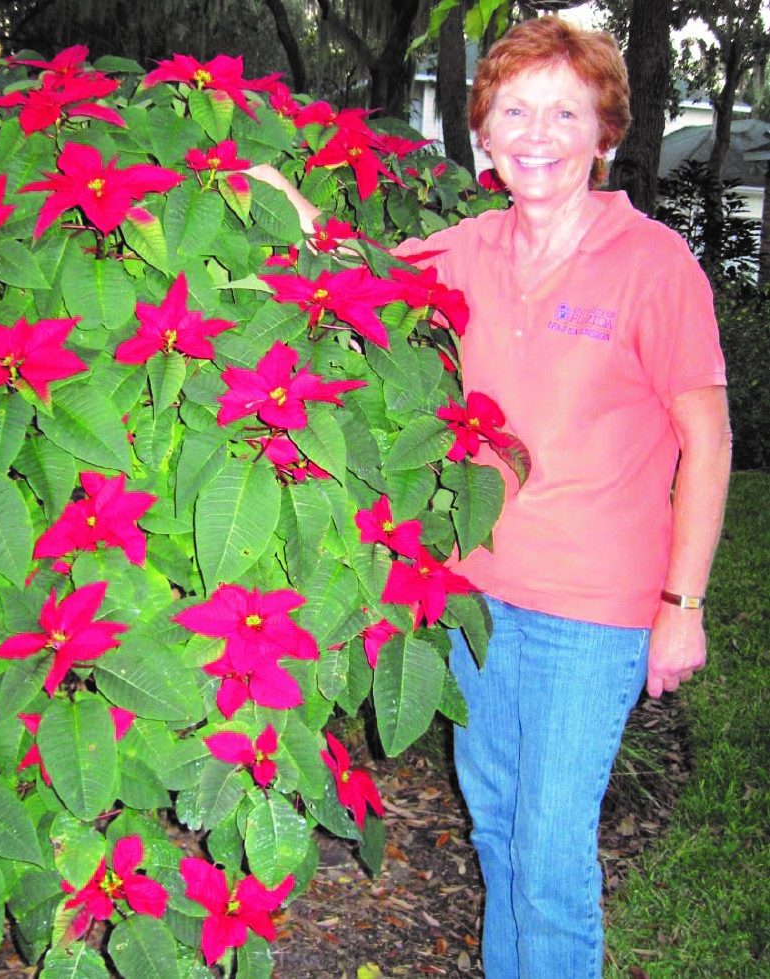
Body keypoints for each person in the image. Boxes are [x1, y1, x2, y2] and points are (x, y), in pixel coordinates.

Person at [388, 17, 731, 979]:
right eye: (514, 112)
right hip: (475, 605)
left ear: (603, 133)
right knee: (496, 832)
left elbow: (707, 442)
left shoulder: (653, 264)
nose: (537, 135)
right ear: (484, 137)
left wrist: (682, 607)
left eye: (565, 112)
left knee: (546, 857)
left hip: (591, 615)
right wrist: (265, 193)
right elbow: (347, 272)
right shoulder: (464, 251)